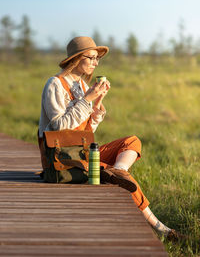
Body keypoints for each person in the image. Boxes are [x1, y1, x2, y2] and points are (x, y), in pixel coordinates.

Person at [38, 36, 181, 241]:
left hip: (81, 150)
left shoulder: (80, 85)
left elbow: (87, 130)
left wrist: (97, 102)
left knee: (131, 142)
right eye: (92, 57)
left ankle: (118, 171)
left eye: (98, 59)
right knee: (125, 181)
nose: (96, 63)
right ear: (77, 58)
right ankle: (162, 229)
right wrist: (87, 99)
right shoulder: (55, 84)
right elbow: (59, 128)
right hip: (61, 159)